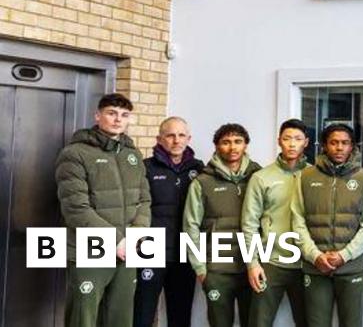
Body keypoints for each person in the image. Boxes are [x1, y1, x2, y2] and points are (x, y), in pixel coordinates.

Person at [56, 93, 152, 327]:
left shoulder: (133, 154)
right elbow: (76, 208)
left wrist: (136, 235)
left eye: (124, 115)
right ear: (97, 116)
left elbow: (144, 200)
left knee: (120, 318)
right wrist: (116, 241)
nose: (118, 119)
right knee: (83, 319)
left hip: (127, 251)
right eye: (111, 113)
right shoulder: (75, 153)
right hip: (88, 250)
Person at [292, 123, 363, 327]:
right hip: (316, 267)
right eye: (334, 143)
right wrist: (314, 255)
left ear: (352, 147)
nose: (339, 147)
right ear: (324, 146)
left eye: (345, 143)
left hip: (351, 266)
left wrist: (344, 255)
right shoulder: (305, 176)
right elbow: (297, 220)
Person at [183, 123, 262, 327]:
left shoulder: (259, 177)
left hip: (251, 266)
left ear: (246, 145)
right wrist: (200, 268)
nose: (232, 147)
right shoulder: (202, 182)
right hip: (216, 268)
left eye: (238, 141)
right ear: (217, 146)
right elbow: (190, 226)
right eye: (226, 142)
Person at [134, 116, 204, 327]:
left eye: (181, 135)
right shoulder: (145, 168)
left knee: (180, 315)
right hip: (150, 251)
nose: (176, 140)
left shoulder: (199, 170)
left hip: (184, 252)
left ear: (188, 138)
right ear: (160, 139)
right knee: (142, 312)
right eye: (170, 135)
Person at [242, 118, 310, 327]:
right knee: (259, 322)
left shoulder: (314, 176)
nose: (292, 144)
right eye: (287, 138)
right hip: (270, 262)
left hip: (306, 263)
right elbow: (249, 223)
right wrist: (252, 263)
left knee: (309, 321)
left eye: (297, 139)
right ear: (279, 141)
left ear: (306, 142)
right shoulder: (261, 177)